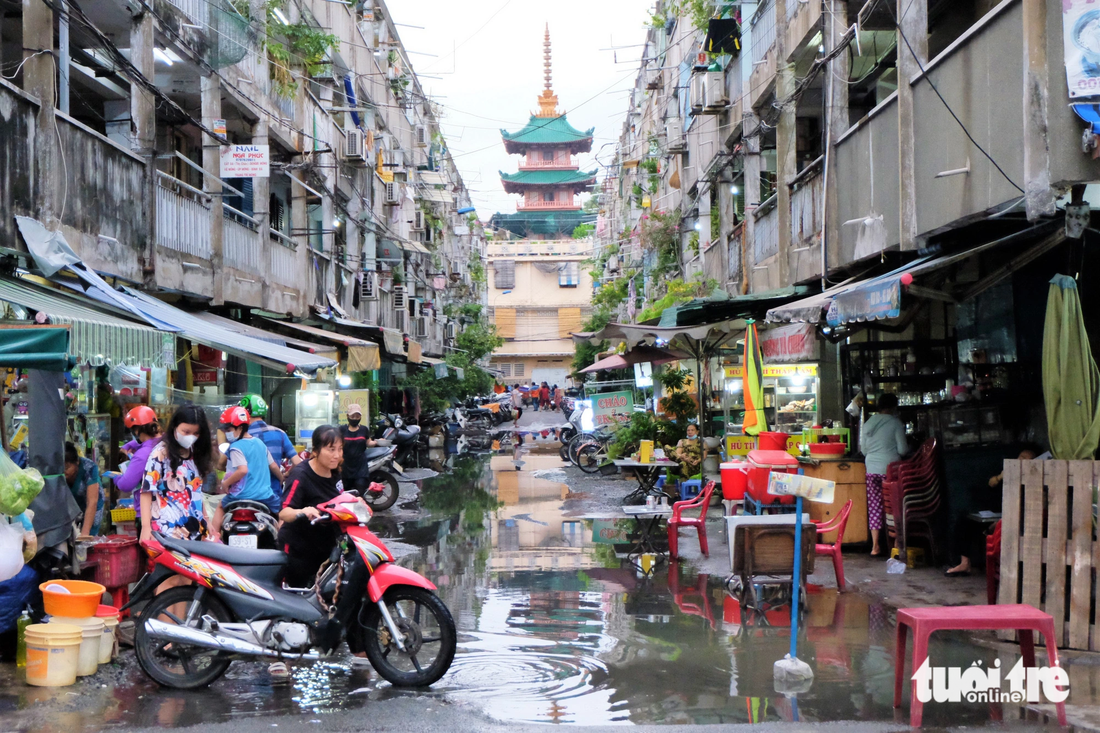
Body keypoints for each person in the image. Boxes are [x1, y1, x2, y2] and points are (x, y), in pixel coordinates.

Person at [945, 447, 1038, 577]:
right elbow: (991, 484)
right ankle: (964, 563)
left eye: (1027, 459)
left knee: (996, 528)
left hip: (1012, 518)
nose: (1022, 461)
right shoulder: (1007, 472)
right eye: (1021, 457)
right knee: (964, 521)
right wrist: (1001, 476)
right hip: (993, 513)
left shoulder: (1035, 478)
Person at [278, 425, 346, 588]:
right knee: (299, 599)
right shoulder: (301, 475)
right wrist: (302, 511)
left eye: (340, 449)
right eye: (331, 449)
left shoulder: (334, 471)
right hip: (299, 550)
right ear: (315, 451)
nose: (336, 455)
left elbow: (341, 499)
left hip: (326, 546)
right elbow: (284, 512)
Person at [139, 404, 212, 544]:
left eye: (196, 433)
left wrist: (207, 521)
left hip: (195, 531)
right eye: (186, 432)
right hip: (167, 532)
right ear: (174, 427)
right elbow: (146, 491)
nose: (191, 437)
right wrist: (146, 527)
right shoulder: (160, 454)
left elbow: (196, 493)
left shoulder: (195, 454)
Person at [210, 406, 285, 541]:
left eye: (229, 430)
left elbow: (242, 470)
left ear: (240, 428)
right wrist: (282, 479)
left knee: (221, 506)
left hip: (240, 497)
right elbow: (273, 466)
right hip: (265, 497)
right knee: (283, 513)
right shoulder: (260, 443)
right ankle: (280, 540)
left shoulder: (235, 447)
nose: (227, 433)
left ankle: (213, 539)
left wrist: (226, 483)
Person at [861, 393, 909, 556]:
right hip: (889, 470)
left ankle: (875, 546)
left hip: (871, 469)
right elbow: (902, 450)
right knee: (893, 506)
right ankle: (896, 543)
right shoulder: (895, 423)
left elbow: (864, 450)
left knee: (874, 506)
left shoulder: (868, 423)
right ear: (894, 407)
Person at [239, 394, 301, 493]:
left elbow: (224, 463)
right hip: (273, 493)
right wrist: (286, 475)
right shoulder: (280, 433)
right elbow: (297, 462)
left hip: (246, 493)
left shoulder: (241, 436)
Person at [116, 406, 162, 525]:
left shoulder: (143, 454)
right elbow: (148, 442)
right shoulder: (165, 443)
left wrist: (117, 478)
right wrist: (128, 446)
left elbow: (126, 484)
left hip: (148, 515)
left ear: (137, 431)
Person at [64, 442, 102, 536]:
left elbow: (92, 502)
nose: (64, 472)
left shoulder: (89, 468)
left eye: (67, 468)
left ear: (77, 462)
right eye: (61, 468)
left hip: (91, 504)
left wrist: (85, 534)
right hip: (70, 507)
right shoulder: (57, 471)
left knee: (87, 538)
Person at [339, 403, 376, 492]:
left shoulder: (364, 429)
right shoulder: (342, 429)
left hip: (361, 467)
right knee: (346, 494)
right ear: (347, 416)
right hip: (345, 467)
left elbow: (368, 443)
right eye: (353, 416)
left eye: (357, 416)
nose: (355, 419)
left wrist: (378, 442)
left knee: (361, 491)